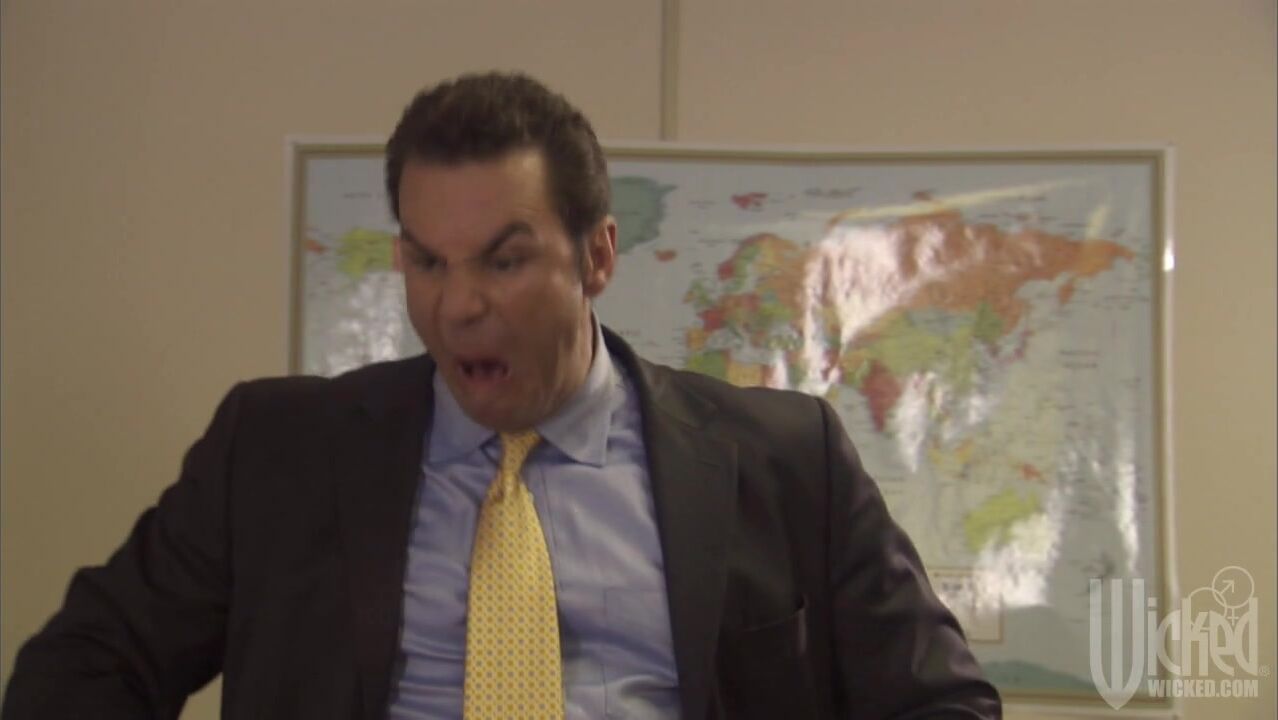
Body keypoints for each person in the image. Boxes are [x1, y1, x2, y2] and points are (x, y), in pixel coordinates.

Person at [3, 72, 1001, 719]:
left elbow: (941, 704)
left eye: (504, 260)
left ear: (596, 256)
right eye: (427, 262)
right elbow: (81, 666)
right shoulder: (275, 449)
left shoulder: (786, 458)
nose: (459, 304)